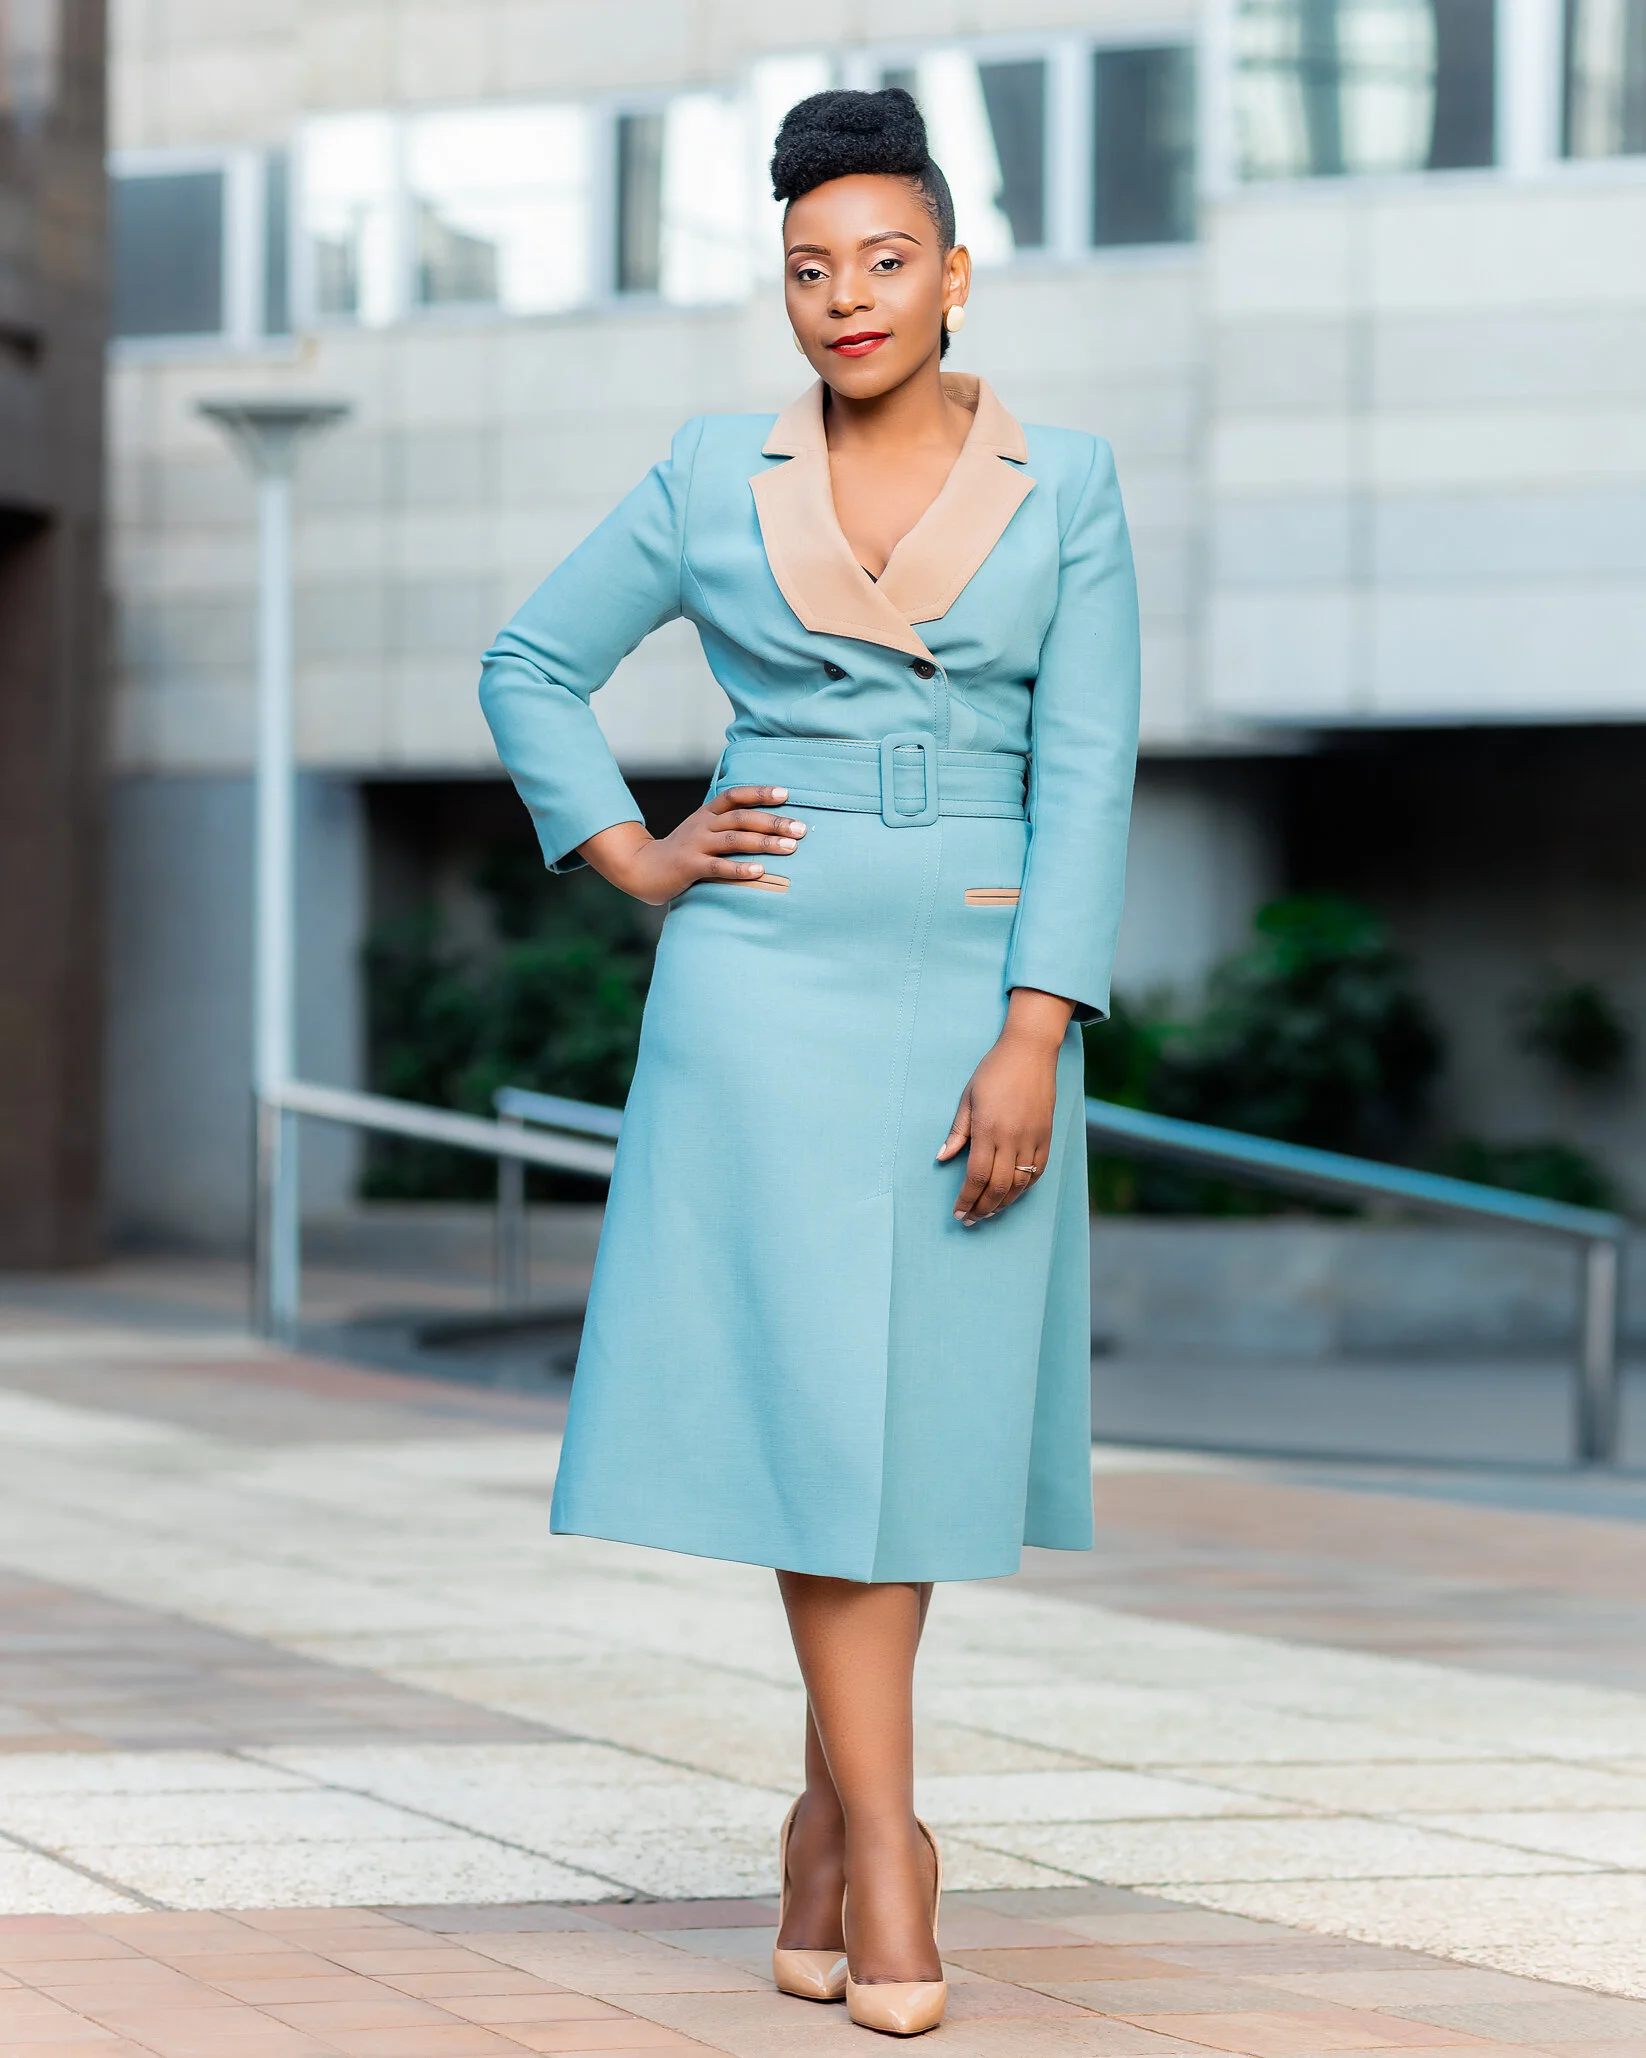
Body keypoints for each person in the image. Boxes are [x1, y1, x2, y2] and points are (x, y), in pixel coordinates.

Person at [479, 85, 1140, 2038]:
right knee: (812, 1417)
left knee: (909, 1424)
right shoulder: (709, 468)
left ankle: (821, 1823)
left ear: (953, 272)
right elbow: (532, 660)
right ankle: (896, 1847)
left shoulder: (1070, 480)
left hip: (971, 980)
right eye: (805, 270)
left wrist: (1038, 1027)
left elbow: (1088, 765)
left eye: (879, 259)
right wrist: (632, 853)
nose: (843, 298)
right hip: (755, 984)